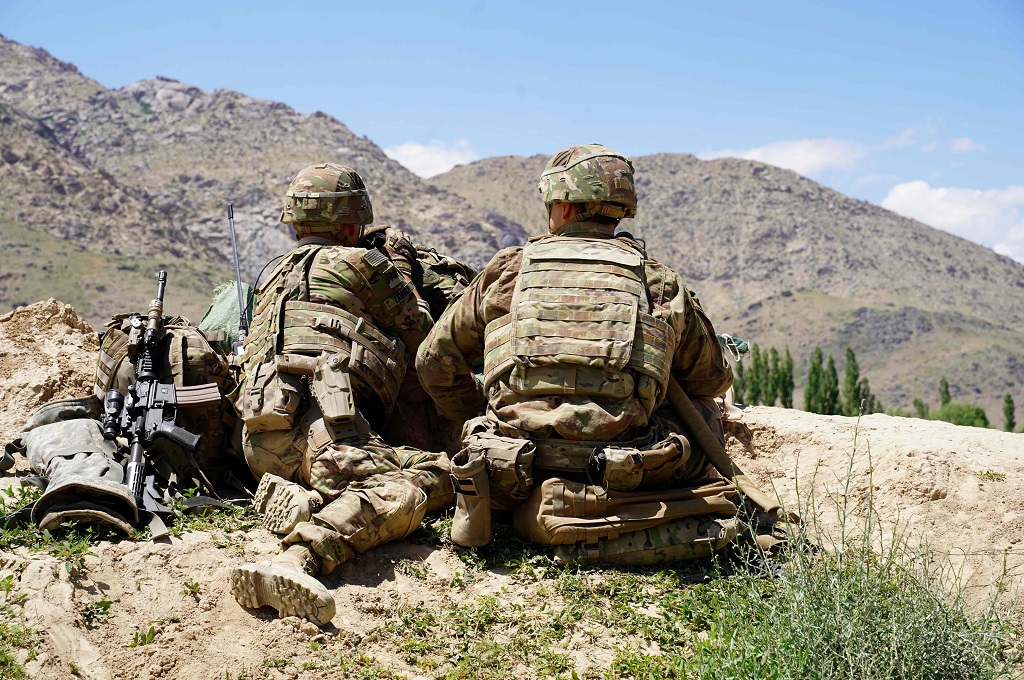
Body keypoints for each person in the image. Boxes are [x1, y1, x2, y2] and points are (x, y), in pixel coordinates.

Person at [415, 144, 740, 566]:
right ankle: (604, 512)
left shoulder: (507, 271)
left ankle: (539, 505)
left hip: (512, 466)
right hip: (626, 466)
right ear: (619, 209)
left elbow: (434, 363)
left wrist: (480, 408)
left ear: (565, 207)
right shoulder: (657, 280)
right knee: (704, 414)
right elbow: (710, 381)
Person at [230, 163, 453, 625]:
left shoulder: (271, 274)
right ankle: (300, 557)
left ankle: (308, 499)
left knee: (400, 462)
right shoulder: (364, 262)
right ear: (354, 222)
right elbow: (425, 337)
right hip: (328, 438)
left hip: (258, 443)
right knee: (433, 477)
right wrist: (402, 268)